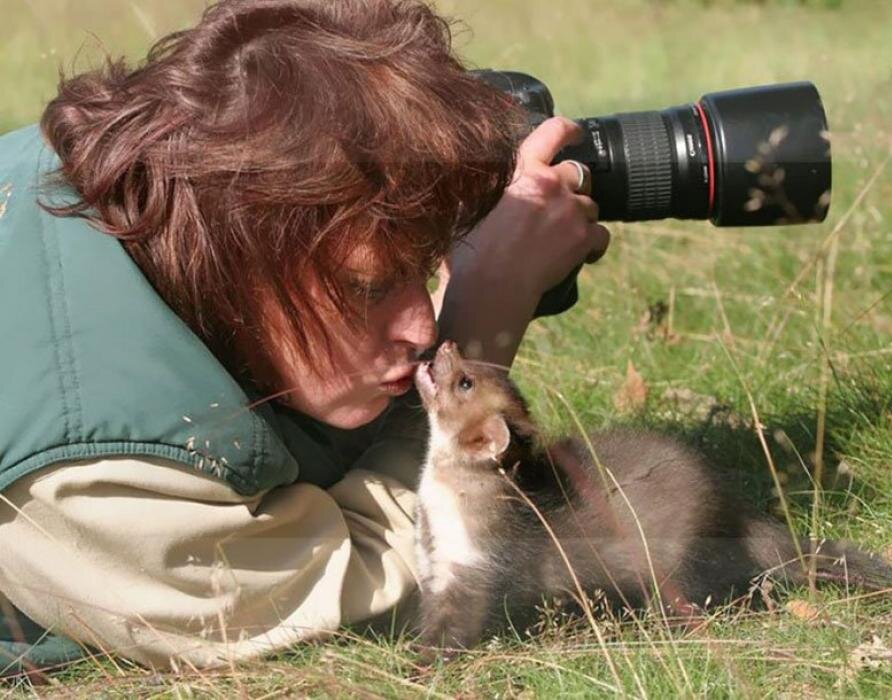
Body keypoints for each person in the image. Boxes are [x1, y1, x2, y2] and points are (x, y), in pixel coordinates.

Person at [0, 0, 608, 673]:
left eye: (424, 268)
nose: (422, 326)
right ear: (234, 260)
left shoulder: (113, 171)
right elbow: (353, 586)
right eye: (368, 288)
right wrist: (489, 307)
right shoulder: (95, 469)